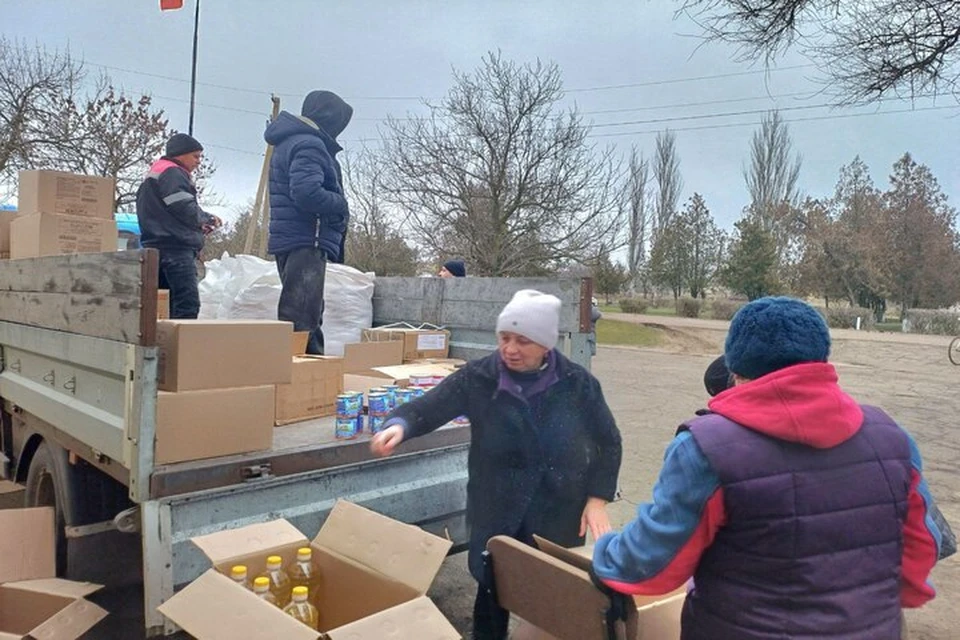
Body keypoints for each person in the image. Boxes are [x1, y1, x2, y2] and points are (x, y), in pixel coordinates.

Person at [592, 297, 940, 640]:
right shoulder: (891, 438)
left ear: (736, 368)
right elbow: (921, 549)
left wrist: (604, 551)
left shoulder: (706, 448)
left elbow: (651, 566)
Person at [370, 289, 623, 640]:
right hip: (497, 505)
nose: (510, 349)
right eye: (505, 337)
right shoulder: (478, 378)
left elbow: (608, 441)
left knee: (555, 595)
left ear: (546, 344)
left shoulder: (579, 385)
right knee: (492, 589)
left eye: (523, 341)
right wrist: (399, 426)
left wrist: (598, 499)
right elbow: (430, 407)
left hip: (558, 509)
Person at [265, 90, 353, 355]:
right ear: (330, 118)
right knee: (302, 315)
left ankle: (310, 377)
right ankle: (303, 380)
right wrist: (341, 203)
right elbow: (306, 193)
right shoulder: (309, 144)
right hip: (306, 236)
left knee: (305, 310)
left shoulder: (290, 142)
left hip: (292, 235)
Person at [136, 133, 221, 319]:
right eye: (196, 156)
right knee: (186, 305)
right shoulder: (173, 173)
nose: (198, 162)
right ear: (180, 154)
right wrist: (207, 219)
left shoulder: (154, 175)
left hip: (155, 249)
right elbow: (183, 206)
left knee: (160, 307)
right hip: (176, 250)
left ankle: (162, 344)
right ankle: (181, 346)